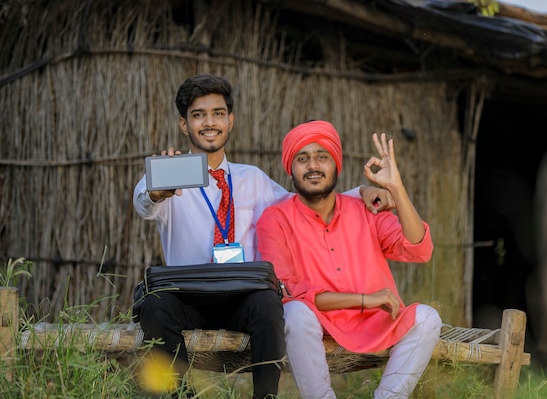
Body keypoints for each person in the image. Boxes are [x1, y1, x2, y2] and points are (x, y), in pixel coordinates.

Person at [133, 75, 394, 399]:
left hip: (242, 296)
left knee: (271, 303)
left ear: (230, 121)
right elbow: (143, 202)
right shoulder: (170, 176)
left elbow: (305, 202)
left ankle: (266, 397)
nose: (209, 122)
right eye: (198, 114)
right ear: (184, 124)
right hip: (188, 297)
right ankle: (180, 395)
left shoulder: (252, 179)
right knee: (155, 306)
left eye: (218, 113)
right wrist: (159, 189)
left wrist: (362, 191)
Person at [256, 120, 443, 399]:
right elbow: (288, 293)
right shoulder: (275, 220)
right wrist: (365, 299)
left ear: (336, 164)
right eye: (302, 158)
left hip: (376, 323)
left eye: (322, 156)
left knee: (428, 319)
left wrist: (396, 189)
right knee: (294, 313)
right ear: (290, 168)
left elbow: (419, 249)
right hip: (319, 323)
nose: (313, 166)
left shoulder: (366, 209)